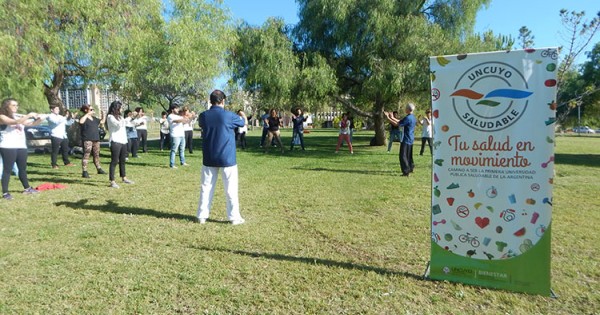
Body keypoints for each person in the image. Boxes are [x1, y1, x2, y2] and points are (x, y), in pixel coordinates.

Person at [196, 90, 246, 225]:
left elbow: (202, 125)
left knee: (206, 187)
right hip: (227, 157)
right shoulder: (229, 116)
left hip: (209, 156)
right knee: (231, 188)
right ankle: (234, 217)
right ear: (223, 101)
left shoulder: (203, 116)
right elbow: (242, 123)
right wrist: (242, 114)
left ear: (210, 100)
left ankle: (202, 215)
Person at [0, 98, 45, 200]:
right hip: (8, 146)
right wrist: (28, 115)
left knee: (22, 169)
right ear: (7, 106)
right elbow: (14, 122)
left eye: (17, 105)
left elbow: (31, 124)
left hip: (21, 146)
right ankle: (5, 192)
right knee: (7, 170)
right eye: (13, 105)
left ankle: (27, 188)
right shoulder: (2, 116)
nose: (16, 107)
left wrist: (40, 118)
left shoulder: (18, 116)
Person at [106, 101, 134, 188]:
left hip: (123, 141)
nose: (122, 109)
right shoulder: (110, 117)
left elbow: (128, 124)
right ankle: (112, 181)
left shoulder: (121, 117)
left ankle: (124, 177)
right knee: (114, 161)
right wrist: (128, 118)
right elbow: (117, 125)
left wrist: (133, 118)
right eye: (120, 107)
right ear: (116, 108)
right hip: (115, 141)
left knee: (122, 161)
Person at [386, 103, 416, 176]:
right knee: (409, 155)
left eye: (406, 108)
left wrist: (388, 118)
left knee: (403, 156)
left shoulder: (408, 118)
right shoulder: (412, 117)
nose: (405, 109)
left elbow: (397, 124)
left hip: (406, 139)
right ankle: (410, 168)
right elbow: (400, 121)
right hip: (411, 138)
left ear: (408, 109)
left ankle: (406, 171)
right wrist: (392, 117)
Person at [78, 104, 106, 178]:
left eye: (92, 109)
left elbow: (102, 122)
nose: (92, 111)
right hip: (87, 139)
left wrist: (103, 114)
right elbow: (81, 122)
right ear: (86, 110)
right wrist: (87, 114)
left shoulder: (94, 119)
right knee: (86, 154)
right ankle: (84, 171)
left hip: (96, 139)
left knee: (96, 154)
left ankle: (99, 168)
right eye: (91, 109)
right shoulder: (83, 118)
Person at [47, 105, 75, 169]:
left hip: (63, 135)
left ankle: (66, 162)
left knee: (65, 150)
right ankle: (54, 164)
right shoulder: (50, 116)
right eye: (56, 109)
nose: (58, 110)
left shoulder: (60, 117)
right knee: (55, 151)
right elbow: (56, 122)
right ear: (52, 110)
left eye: (58, 109)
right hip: (56, 135)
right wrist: (65, 117)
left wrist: (72, 118)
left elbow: (67, 123)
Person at [167, 104, 190, 168]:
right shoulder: (170, 116)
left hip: (181, 134)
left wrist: (189, 117)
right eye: (176, 108)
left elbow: (186, 121)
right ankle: (172, 164)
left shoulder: (178, 116)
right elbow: (177, 121)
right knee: (174, 150)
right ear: (172, 109)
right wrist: (183, 118)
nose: (178, 110)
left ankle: (182, 162)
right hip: (175, 135)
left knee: (182, 149)